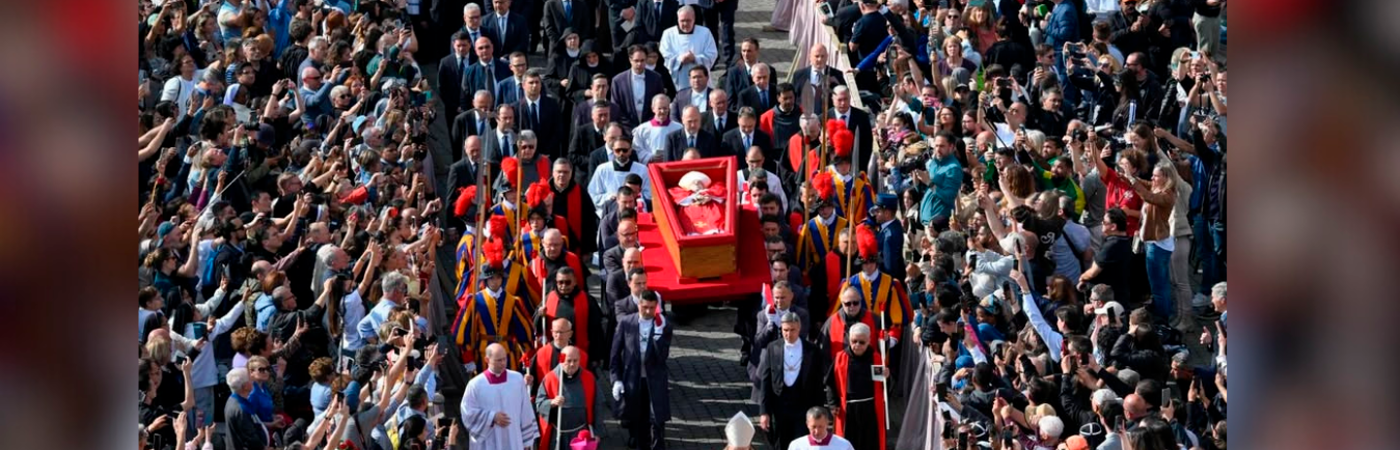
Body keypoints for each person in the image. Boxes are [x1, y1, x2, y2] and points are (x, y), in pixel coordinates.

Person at [452, 238, 535, 375]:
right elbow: (463, 330)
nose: (495, 281)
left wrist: (527, 350)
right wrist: (468, 357)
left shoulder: (513, 301)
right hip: (483, 354)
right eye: (491, 278)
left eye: (498, 278)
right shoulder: (474, 301)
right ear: (485, 280)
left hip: (508, 352)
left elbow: (524, 329)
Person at [610, 290, 673, 450]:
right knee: (638, 420)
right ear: (639, 304)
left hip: (655, 380)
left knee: (657, 420)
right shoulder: (626, 323)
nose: (648, 311)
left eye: (652, 308)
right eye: (645, 307)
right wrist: (616, 379)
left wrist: (658, 336)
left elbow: (662, 357)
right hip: (633, 379)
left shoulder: (663, 325)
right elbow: (615, 354)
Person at [757, 312, 828, 450]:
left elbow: (818, 383)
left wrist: (821, 412)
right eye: (785, 330)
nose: (789, 334)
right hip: (780, 406)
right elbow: (766, 380)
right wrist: (764, 412)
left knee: (802, 443)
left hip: (804, 406)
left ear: (799, 328)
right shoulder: (773, 347)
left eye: (792, 330)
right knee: (780, 443)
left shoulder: (812, 350)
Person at [461, 343, 541, 450]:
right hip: (489, 441)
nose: (503, 363)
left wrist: (526, 441)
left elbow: (525, 410)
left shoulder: (517, 379)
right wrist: (491, 417)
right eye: (498, 360)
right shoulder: (475, 384)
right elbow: (467, 412)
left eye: (504, 359)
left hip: (513, 439)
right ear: (487, 360)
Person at [823, 323, 886, 450]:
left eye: (862, 342)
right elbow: (830, 383)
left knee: (870, 443)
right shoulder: (841, 357)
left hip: (870, 408)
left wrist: (886, 375)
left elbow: (882, 385)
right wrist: (832, 403)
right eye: (854, 341)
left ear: (869, 341)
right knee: (848, 443)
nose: (857, 345)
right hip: (848, 409)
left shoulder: (876, 357)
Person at [535, 346, 606, 448]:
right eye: (569, 361)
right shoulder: (550, 378)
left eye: (575, 360)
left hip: (582, 435)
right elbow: (539, 404)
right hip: (559, 435)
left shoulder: (589, 378)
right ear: (561, 359)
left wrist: (598, 432)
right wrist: (551, 403)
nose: (572, 364)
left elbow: (598, 405)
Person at [659, 6, 717, 89]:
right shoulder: (668, 34)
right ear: (677, 19)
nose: (685, 24)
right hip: (677, 81)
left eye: (688, 20)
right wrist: (680, 60)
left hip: (700, 79)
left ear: (694, 19)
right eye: (682, 21)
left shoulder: (704, 33)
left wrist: (695, 58)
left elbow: (712, 54)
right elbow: (664, 55)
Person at [668, 171, 727, 235]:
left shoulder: (710, 192)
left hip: (711, 211)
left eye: (699, 182)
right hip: (691, 213)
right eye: (693, 183)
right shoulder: (685, 195)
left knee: (714, 220)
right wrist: (694, 197)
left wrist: (709, 196)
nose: (696, 184)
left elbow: (720, 195)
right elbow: (678, 200)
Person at [784, 407, 855, 450]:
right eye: (813, 427)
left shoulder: (843, 445)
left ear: (827, 423)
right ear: (807, 424)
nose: (817, 431)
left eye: (821, 426)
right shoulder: (796, 446)